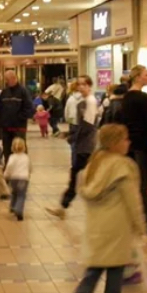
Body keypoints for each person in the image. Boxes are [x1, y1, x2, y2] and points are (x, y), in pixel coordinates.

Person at [70, 124, 146, 293]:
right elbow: (131, 199)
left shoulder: (94, 163)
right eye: (125, 139)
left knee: (96, 265)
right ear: (114, 143)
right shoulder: (122, 166)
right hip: (118, 225)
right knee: (115, 268)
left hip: (96, 224)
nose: (128, 142)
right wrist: (140, 224)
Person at [47, 75, 98, 220]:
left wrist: (72, 137)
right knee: (77, 176)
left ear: (89, 85)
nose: (80, 87)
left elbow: (88, 126)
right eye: (79, 84)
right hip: (82, 145)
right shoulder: (82, 102)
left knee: (78, 176)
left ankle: (63, 206)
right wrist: (70, 134)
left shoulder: (90, 102)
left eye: (83, 84)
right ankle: (63, 206)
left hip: (86, 146)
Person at [119, 66, 147, 235]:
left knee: (134, 182)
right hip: (142, 143)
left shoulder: (126, 97)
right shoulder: (142, 98)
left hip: (129, 143)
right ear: (137, 78)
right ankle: (144, 222)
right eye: (146, 75)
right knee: (142, 184)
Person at [0, 69, 34, 162]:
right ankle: (8, 166)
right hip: (6, 127)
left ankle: (22, 166)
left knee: (19, 147)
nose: (6, 81)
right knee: (7, 149)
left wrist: (20, 118)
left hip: (19, 127)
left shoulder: (23, 91)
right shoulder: (4, 92)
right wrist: (0, 121)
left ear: (14, 78)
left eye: (7, 79)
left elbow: (29, 108)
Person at [4, 136, 31, 221]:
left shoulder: (12, 157)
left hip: (14, 179)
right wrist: (29, 173)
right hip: (23, 178)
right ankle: (19, 210)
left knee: (14, 193)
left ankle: (12, 206)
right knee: (21, 195)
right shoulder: (26, 157)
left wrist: (6, 175)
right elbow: (30, 167)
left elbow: (9, 166)